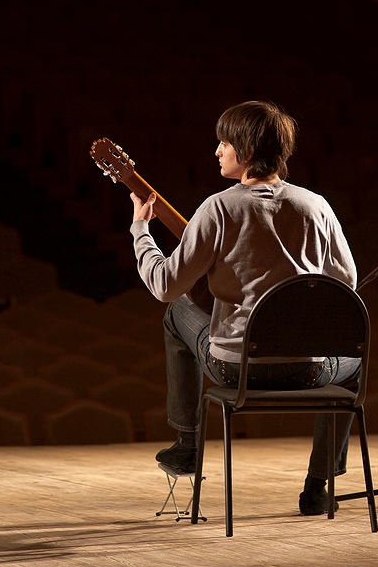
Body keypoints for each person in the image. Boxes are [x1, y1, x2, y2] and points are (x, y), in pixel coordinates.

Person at [129, 100, 360, 516]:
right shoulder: (317, 206)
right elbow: (345, 285)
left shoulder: (218, 208)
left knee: (174, 313)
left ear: (247, 152)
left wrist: (140, 229)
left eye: (224, 142)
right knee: (355, 362)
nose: (217, 150)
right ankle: (318, 486)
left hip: (234, 370)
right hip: (306, 370)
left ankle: (186, 443)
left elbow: (165, 285)